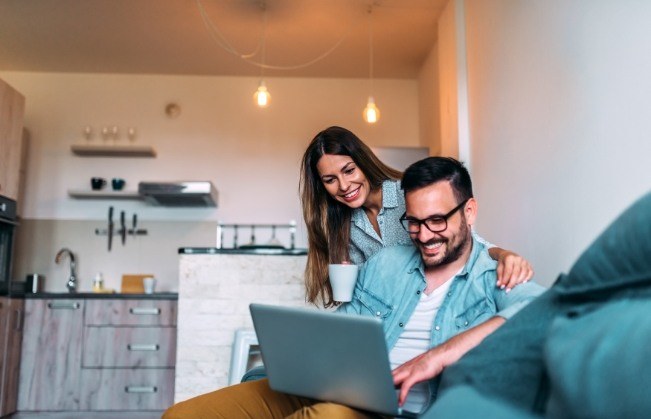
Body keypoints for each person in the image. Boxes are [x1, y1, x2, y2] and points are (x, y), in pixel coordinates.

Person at [163, 157, 545, 418]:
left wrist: (438, 355)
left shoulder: (496, 272)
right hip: (339, 390)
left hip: (389, 410)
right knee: (182, 414)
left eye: (437, 221)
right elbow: (344, 333)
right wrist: (291, 365)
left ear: (470, 211)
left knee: (327, 417)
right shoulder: (386, 264)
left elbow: (544, 311)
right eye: (414, 222)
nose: (424, 236)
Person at [300, 126, 533, 307]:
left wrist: (504, 255)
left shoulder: (407, 195)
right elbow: (360, 290)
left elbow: (465, 242)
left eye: (349, 170)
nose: (343, 185)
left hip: (438, 301)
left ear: (363, 163)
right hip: (393, 316)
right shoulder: (344, 224)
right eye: (330, 180)